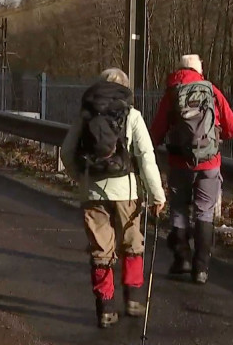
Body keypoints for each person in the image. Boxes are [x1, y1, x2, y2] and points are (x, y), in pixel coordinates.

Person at [61, 68, 166, 329]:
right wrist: (157, 195)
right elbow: (146, 157)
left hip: (92, 191)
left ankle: (105, 308)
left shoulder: (86, 115)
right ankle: (133, 299)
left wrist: (81, 178)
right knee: (132, 243)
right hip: (127, 192)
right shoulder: (132, 115)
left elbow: (66, 151)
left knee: (100, 250)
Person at [150, 54, 233, 285]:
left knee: (179, 209)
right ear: (200, 71)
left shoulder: (172, 93)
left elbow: (157, 130)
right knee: (204, 212)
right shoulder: (211, 91)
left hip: (180, 162)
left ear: (179, 69)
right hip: (209, 163)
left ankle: (182, 260)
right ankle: (201, 269)